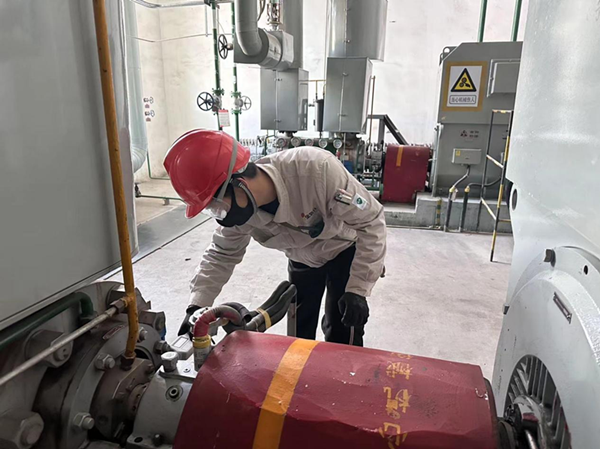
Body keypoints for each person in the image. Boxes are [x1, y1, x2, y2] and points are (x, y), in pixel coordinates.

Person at [164, 129, 386, 346]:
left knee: (343, 328)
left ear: (238, 182)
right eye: (211, 210)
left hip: (344, 250)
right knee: (299, 330)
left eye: (216, 205)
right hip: (301, 257)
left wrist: (359, 288)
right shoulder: (240, 210)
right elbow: (222, 254)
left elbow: (371, 221)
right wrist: (197, 306)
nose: (221, 216)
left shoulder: (316, 170)